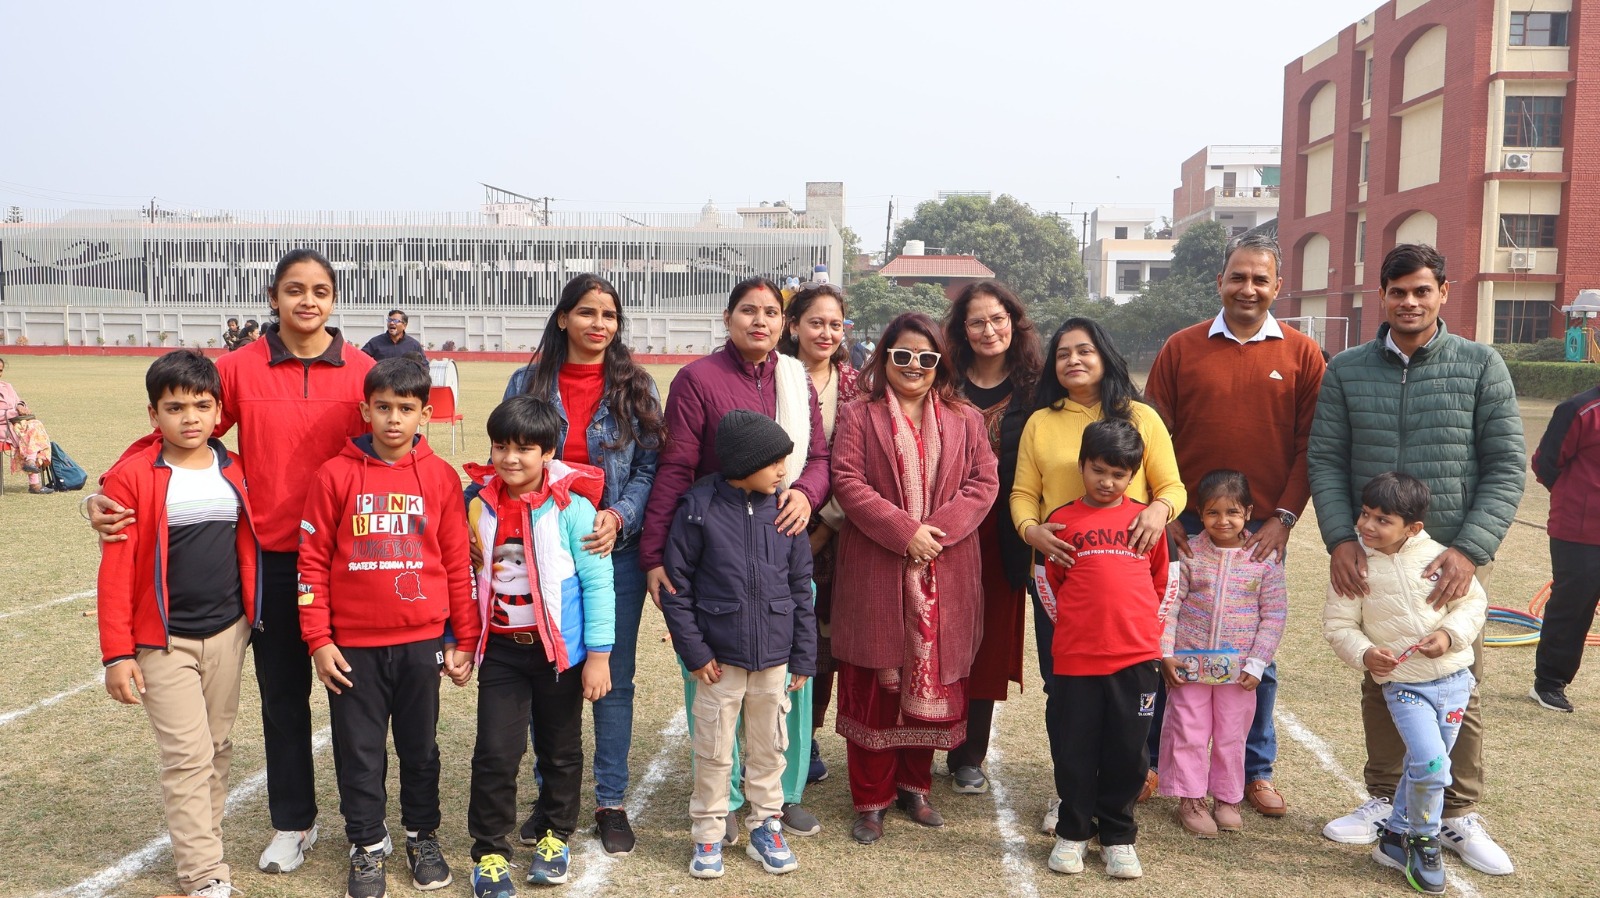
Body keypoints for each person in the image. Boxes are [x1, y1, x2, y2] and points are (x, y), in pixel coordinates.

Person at [92, 248, 376, 875]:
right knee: (283, 699)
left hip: (348, 562)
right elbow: (182, 430)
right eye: (294, 289)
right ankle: (294, 822)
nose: (307, 301)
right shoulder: (239, 368)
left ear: (335, 298)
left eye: (320, 290)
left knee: (353, 699)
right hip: (272, 561)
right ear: (273, 297)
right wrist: (106, 490)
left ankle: (366, 828)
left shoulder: (363, 371)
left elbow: (392, 448)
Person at [1308, 243, 1524, 876]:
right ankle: (1386, 798)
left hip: (1447, 557)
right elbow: (1326, 460)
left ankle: (1457, 812)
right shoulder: (1347, 369)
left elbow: (1506, 465)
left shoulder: (1481, 365)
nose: (1410, 302)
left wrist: (1470, 549)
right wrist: (1341, 539)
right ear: (1381, 295)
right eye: (1398, 291)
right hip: (1372, 555)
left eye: (1422, 290)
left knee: (1457, 677)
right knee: (1382, 673)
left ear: (1443, 292)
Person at [640, 276, 831, 841]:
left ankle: (779, 799)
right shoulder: (698, 379)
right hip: (716, 554)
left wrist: (805, 494)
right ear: (727, 319)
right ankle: (720, 802)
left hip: (781, 545)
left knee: (783, 688)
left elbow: (819, 458)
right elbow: (677, 466)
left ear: (784, 323)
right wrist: (654, 553)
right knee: (714, 682)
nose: (760, 321)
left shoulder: (795, 377)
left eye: (771, 312)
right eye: (748, 310)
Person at [1143, 231, 1325, 817]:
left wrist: (1284, 519)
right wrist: (1166, 511)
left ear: (1278, 286)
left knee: (1253, 654)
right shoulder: (1181, 347)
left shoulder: (1303, 354)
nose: (1248, 288)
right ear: (1220, 280)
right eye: (1238, 277)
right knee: (1171, 644)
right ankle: (1157, 763)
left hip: (1262, 528)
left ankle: (1253, 771)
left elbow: (1312, 445)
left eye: (1260, 279)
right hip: (1185, 521)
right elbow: (1151, 435)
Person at [296, 357, 480, 898]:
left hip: (422, 642)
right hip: (353, 647)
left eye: (405, 408)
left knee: (420, 750)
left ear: (426, 413)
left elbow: (457, 564)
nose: (393, 419)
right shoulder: (334, 475)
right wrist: (319, 639)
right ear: (365, 410)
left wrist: (463, 637)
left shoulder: (440, 477)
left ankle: (422, 836)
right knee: (359, 751)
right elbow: (312, 563)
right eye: (383, 407)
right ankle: (367, 843)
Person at [500, 274, 663, 855]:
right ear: (563, 317)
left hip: (610, 551)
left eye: (609, 315)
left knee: (612, 678)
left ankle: (610, 801)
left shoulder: (636, 387)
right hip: (539, 551)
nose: (599, 324)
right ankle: (551, 801)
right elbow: (509, 460)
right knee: (549, 673)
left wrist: (618, 515)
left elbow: (649, 468)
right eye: (588, 312)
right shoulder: (527, 382)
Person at [1009, 317, 1185, 833]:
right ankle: (1072, 796)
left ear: (1105, 356)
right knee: (1064, 692)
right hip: (1061, 577)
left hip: (1126, 585)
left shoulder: (1142, 417)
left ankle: (1116, 797)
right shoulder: (1041, 422)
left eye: (1084, 350)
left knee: (1127, 694)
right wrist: (1031, 531)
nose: (1074, 360)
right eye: (1063, 353)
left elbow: (1172, 487)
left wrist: (1158, 512)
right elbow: (1022, 493)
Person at [829, 312, 999, 844]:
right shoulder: (859, 414)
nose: (914, 366)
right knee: (875, 684)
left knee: (932, 679)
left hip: (945, 568)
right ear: (884, 357)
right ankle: (871, 800)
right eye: (902, 355)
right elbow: (847, 481)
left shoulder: (966, 418)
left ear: (940, 364)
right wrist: (905, 533)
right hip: (877, 566)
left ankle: (914, 787)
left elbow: (984, 482)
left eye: (926, 358)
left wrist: (935, 534)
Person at [97, 350, 260, 898]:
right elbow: (115, 572)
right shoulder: (132, 477)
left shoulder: (236, 468)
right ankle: (203, 872)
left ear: (218, 411)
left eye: (201, 405)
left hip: (229, 632)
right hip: (162, 641)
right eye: (175, 408)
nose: (190, 418)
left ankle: (203, 843)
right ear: (153, 415)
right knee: (188, 756)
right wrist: (117, 654)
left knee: (216, 747)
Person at [661, 409, 817, 879]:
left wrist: (802, 656)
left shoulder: (786, 513)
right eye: (775, 462)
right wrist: (695, 651)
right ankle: (708, 833)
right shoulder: (698, 508)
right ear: (744, 463)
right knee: (713, 750)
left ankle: (766, 825)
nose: (784, 471)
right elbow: (676, 589)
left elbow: (801, 588)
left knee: (770, 748)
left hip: (773, 659)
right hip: (718, 661)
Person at [1322, 472, 1487, 896]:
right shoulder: (1355, 565)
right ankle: (1424, 839)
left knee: (1425, 766)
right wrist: (1364, 653)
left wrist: (1449, 635)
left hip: (1454, 683)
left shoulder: (1439, 558)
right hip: (1404, 686)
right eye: (1365, 514)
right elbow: (1339, 626)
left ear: (1412, 528)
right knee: (1432, 766)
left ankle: (1395, 837)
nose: (1367, 525)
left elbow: (1473, 603)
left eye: (1382, 520)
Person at [1040, 419, 1172, 881]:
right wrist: (1077, 631)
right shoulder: (1062, 521)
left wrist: (1144, 637)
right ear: (1082, 466)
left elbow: (1164, 582)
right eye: (1098, 470)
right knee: (1074, 749)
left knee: (1128, 752)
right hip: (1077, 659)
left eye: (1119, 474)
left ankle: (1118, 837)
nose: (1107, 482)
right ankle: (1073, 832)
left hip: (1136, 659)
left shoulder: (1146, 521)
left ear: (1133, 476)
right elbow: (1048, 585)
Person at [938, 280, 1042, 795]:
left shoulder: (1037, 387)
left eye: (997, 319)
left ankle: (968, 754)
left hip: (1006, 534)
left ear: (1013, 322)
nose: (988, 330)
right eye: (976, 321)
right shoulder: (941, 380)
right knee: (935, 634)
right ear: (962, 329)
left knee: (987, 643)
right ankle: (923, 738)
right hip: (945, 526)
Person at [1157, 469, 1287, 837]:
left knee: (1232, 734)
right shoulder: (1188, 553)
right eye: (1213, 512)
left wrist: (1258, 663)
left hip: (1240, 671)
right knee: (1189, 730)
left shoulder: (1264, 558)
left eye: (1232, 512)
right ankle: (1191, 798)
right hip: (1189, 664)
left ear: (1248, 512)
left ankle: (1228, 798)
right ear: (1199, 513)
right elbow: (1170, 605)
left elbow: (1274, 615)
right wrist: (1166, 653)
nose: (1223, 521)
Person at [777, 282, 859, 785]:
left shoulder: (857, 385)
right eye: (816, 323)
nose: (826, 333)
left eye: (835, 324)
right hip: (776, 522)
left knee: (822, 640)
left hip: (837, 530)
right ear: (794, 326)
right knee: (776, 629)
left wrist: (825, 527)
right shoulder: (774, 374)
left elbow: (857, 463)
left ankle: (807, 736)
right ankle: (770, 735)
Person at [1529, 381, 1600, 712]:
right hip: (1579, 530)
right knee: (1573, 606)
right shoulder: (1578, 410)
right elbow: (1544, 464)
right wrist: (1578, 497)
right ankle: (1549, 683)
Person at [0, 355, 56, 493]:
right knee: (32, 434)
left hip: (16, 425)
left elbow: (18, 401)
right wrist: (14, 412)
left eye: (0, 370)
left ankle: (31, 463)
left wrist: (20, 406)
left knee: (35, 427)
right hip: (3, 427)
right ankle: (34, 483)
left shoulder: (7, 386)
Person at [363, 309, 428, 361]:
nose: (391, 323)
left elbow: (424, 366)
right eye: (389, 320)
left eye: (395, 321)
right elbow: (361, 358)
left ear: (404, 325)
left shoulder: (414, 345)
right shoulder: (375, 342)